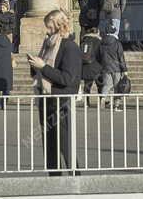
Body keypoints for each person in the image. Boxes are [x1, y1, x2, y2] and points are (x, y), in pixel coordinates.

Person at [27, 10, 81, 176]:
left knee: (65, 145)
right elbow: (41, 72)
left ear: (58, 25)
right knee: (50, 147)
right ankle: (54, 182)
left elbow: (68, 79)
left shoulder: (69, 46)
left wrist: (43, 66)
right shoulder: (48, 44)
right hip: (46, 100)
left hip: (61, 100)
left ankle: (76, 179)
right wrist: (35, 65)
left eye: (49, 26)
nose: (47, 30)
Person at [99, 19, 127, 110]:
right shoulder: (117, 43)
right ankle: (116, 106)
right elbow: (121, 57)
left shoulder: (101, 43)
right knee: (117, 87)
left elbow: (98, 56)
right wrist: (125, 70)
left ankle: (103, 98)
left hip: (106, 68)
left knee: (107, 85)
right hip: (116, 68)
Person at [78, 26, 102, 104]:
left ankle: (86, 102)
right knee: (100, 85)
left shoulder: (84, 40)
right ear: (97, 32)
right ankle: (101, 101)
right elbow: (100, 54)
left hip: (85, 66)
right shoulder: (98, 41)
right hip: (96, 66)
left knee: (87, 85)